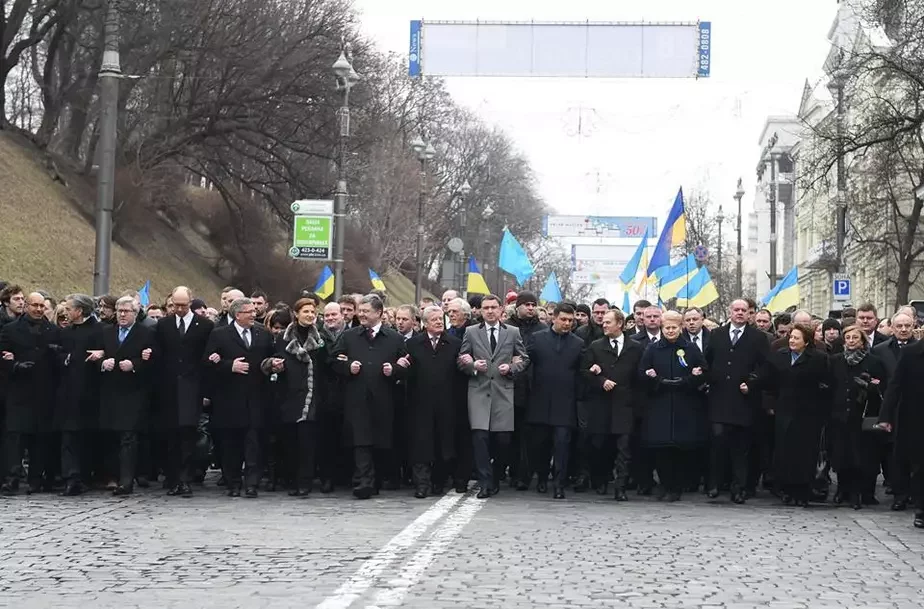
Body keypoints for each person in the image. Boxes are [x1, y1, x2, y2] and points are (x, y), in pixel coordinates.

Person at [744, 324, 830, 507]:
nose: (792, 340)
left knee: (805, 453)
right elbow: (766, 377)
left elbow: (827, 383)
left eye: (797, 338)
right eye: (791, 337)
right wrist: (751, 384)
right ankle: (787, 489)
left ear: (806, 341)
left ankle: (803, 490)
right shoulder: (780, 356)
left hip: (809, 413)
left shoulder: (818, 358)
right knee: (784, 451)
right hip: (785, 409)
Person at [330, 295, 407, 499]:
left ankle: (378, 479)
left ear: (379, 313)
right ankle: (363, 481)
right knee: (360, 441)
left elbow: (407, 365)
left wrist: (395, 370)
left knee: (381, 442)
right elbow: (334, 361)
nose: (361, 315)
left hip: (385, 398)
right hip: (357, 397)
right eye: (360, 311)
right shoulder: (349, 336)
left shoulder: (394, 338)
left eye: (366, 311)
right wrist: (348, 367)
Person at [204, 297, 276, 498]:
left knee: (254, 443)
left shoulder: (263, 333)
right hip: (229, 400)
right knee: (231, 445)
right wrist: (229, 366)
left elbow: (271, 357)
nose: (254, 314)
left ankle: (251, 484)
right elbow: (208, 362)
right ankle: (233, 483)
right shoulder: (220, 334)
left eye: (254, 311)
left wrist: (273, 365)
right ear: (237, 315)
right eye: (249, 312)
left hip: (256, 397)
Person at [459, 294, 530, 499]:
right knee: (480, 438)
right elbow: (462, 359)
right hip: (479, 392)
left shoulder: (512, 332)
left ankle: (497, 475)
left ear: (501, 310)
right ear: (480, 311)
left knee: (503, 440)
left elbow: (524, 359)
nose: (490, 311)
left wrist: (512, 367)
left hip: (503, 392)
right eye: (486, 308)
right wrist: (472, 365)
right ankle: (485, 482)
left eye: (493, 307)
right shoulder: (471, 332)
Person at [703, 299, 769, 504]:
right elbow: (708, 360)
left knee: (741, 448)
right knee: (718, 442)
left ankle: (739, 487)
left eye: (744, 310)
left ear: (749, 314)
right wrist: (709, 377)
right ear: (730, 312)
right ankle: (714, 484)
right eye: (736, 310)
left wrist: (752, 382)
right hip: (720, 398)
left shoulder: (758, 337)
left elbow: (765, 366)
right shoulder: (717, 334)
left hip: (744, 400)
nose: (740, 313)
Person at [638, 310, 707, 502]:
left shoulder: (691, 348)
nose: (670, 331)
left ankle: (677, 486)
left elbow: (703, 371)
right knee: (661, 448)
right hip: (659, 404)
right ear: (662, 328)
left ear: (680, 328)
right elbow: (642, 372)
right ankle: (665, 484)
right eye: (667, 327)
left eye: (674, 327)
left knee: (680, 448)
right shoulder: (652, 349)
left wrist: (691, 378)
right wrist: (655, 379)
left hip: (684, 404)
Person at [154, 286, 215, 498]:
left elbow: (207, 357)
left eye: (183, 305)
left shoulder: (205, 326)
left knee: (188, 434)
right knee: (171, 435)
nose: (179, 309)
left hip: (192, 387)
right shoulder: (163, 325)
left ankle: (185, 478)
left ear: (190, 303)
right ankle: (173, 478)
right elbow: (159, 356)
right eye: (176, 305)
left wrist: (206, 389)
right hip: (169, 388)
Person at [0, 292, 62, 494]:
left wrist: (56, 354)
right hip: (19, 390)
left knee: (40, 438)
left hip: (44, 391)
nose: (38, 309)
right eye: (34, 305)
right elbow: (2, 355)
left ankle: (36, 477)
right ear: (26, 305)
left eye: (41, 306)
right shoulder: (10, 329)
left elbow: (59, 359)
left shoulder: (52, 330)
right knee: (15, 437)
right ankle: (13, 477)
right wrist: (16, 365)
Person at [402, 305, 465, 498]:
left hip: (447, 403)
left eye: (441, 319)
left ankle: (439, 481)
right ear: (425, 323)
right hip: (420, 403)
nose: (439, 322)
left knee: (443, 443)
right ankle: (422, 484)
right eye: (434, 319)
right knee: (421, 445)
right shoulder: (414, 344)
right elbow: (409, 373)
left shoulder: (454, 343)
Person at [268, 298, 328, 496]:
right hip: (288, 395)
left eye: (312, 312)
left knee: (307, 443)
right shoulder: (282, 339)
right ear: (296, 314)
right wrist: (272, 365)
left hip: (312, 397)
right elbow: (270, 360)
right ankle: (292, 480)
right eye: (306, 311)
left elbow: (327, 366)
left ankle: (305, 482)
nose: (310, 315)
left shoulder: (321, 339)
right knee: (290, 443)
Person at [98, 296, 157, 496]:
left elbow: (154, 360)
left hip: (134, 392)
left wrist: (135, 365)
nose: (122, 314)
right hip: (110, 391)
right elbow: (96, 355)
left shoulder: (146, 333)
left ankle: (126, 480)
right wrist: (102, 363)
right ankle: (111, 476)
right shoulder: (106, 332)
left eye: (127, 311)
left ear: (135, 313)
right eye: (119, 310)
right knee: (111, 436)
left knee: (128, 437)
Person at [582, 309, 643, 500]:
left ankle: (621, 486)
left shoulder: (635, 347)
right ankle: (600, 480)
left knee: (624, 447)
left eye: (608, 322)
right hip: (602, 405)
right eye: (603, 322)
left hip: (625, 405)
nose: (604, 325)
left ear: (620, 324)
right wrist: (600, 379)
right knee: (600, 446)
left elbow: (639, 377)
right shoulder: (596, 346)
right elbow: (585, 372)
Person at [526, 303, 584, 499]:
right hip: (540, 401)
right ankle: (542, 477)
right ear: (554, 318)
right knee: (540, 445)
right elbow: (526, 364)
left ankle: (559, 484)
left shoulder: (578, 343)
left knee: (562, 445)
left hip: (565, 403)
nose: (567, 323)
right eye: (564, 319)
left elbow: (580, 372)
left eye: (571, 320)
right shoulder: (537, 339)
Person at [829, 325, 887, 510]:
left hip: (861, 415)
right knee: (840, 455)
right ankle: (841, 489)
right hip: (839, 415)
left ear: (862, 341)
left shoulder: (873, 361)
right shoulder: (836, 360)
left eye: (855, 337)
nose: (851, 341)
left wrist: (870, 386)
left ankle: (858, 492)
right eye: (848, 338)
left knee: (860, 456)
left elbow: (881, 386)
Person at [55, 294, 104, 496]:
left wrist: (101, 354)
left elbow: (109, 352)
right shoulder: (67, 331)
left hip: (90, 393)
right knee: (69, 436)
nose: (65, 312)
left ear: (80, 311)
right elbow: (58, 353)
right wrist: (64, 358)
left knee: (86, 437)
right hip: (68, 393)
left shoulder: (99, 331)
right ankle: (71, 477)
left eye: (69, 308)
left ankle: (85, 475)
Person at [878, 324, 924, 529]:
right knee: (920, 466)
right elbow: (895, 386)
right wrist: (885, 416)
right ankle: (921, 508)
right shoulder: (911, 353)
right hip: (915, 418)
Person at [873, 312, 917, 511]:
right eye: (899, 326)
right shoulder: (881, 350)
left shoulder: (918, 349)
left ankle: (916, 495)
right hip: (892, 407)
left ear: (914, 326)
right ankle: (899, 493)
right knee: (895, 455)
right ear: (892, 327)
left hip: (914, 407)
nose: (903, 329)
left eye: (907, 325)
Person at [505, 290, 547, 490]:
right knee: (511, 434)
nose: (530, 308)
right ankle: (513, 471)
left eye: (533, 305)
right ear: (518, 306)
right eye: (526, 305)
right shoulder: (508, 327)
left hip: (534, 388)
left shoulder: (542, 329)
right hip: (510, 387)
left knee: (530, 436)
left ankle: (526, 474)